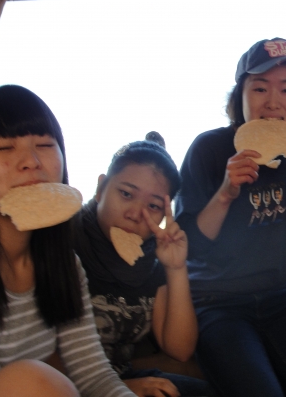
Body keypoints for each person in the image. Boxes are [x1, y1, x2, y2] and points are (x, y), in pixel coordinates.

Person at [175, 37, 286, 397]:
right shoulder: (209, 149)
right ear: (240, 96)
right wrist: (225, 193)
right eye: (259, 88)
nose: (273, 101)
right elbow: (189, 246)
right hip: (217, 302)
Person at [0, 84, 136, 397]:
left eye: (45, 144)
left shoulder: (64, 264)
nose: (31, 160)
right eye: (3, 147)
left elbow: (93, 376)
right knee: (27, 379)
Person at [73, 132, 217, 397]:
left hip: (121, 375)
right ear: (101, 188)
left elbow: (180, 349)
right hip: (66, 385)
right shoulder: (65, 243)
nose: (135, 214)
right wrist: (116, 389)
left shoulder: (151, 257)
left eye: (153, 206)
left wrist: (175, 267)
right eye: (126, 194)